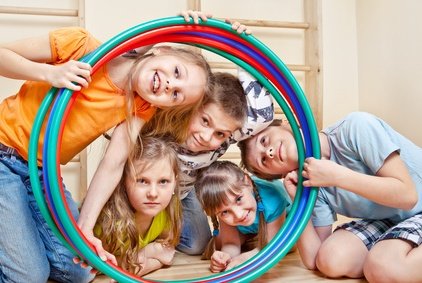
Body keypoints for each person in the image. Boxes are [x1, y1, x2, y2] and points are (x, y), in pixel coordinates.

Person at [0, 17, 211, 282]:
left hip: (41, 173)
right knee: (30, 276)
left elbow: (113, 164)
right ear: (162, 49)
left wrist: (85, 230)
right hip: (2, 154)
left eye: (176, 95)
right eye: (177, 72)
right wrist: (52, 73)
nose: (170, 85)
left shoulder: (141, 106)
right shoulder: (80, 46)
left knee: (81, 270)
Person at [238, 112, 422, 282]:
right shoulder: (311, 182)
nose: (268, 153)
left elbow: (408, 196)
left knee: (383, 267)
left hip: (415, 207)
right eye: (263, 161)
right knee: (331, 259)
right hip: (392, 218)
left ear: (286, 124)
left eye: (264, 141)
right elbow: (314, 260)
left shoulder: (355, 127)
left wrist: (338, 177)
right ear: (279, 175)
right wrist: (297, 200)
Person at [93, 135, 182, 276]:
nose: (153, 193)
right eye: (142, 181)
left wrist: (142, 260)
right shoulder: (111, 219)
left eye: (163, 181)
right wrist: (148, 254)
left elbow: (168, 253)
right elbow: (96, 266)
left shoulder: (169, 208)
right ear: (123, 182)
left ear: (175, 182)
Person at [194, 160, 290, 272]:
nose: (238, 215)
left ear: (248, 182)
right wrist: (226, 258)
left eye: (238, 199)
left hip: (281, 218)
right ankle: (251, 236)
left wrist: (243, 259)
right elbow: (231, 243)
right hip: (254, 224)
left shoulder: (273, 200)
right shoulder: (223, 205)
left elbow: (272, 247)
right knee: (221, 241)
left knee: (289, 246)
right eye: (225, 212)